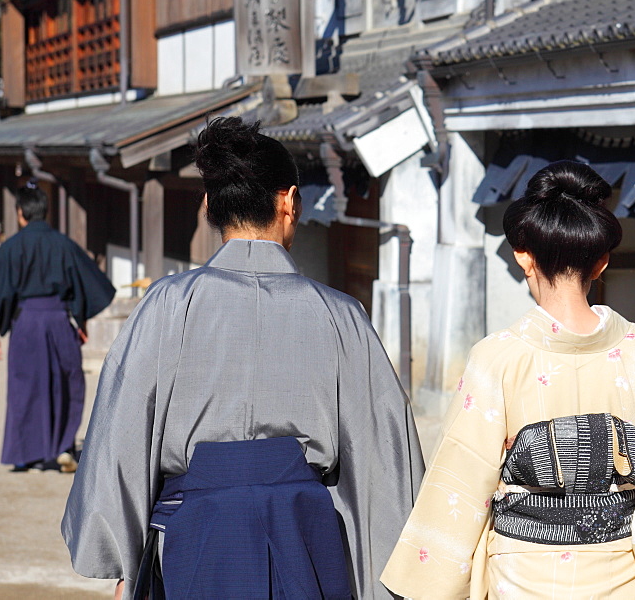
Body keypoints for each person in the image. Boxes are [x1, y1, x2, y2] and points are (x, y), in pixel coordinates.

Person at [62, 117, 424, 600]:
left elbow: (121, 431)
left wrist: (124, 560)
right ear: (289, 201)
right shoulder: (341, 316)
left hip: (192, 535)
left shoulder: (168, 303)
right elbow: (384, 459)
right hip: (307, 535)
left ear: (210, 205)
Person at [381, 161, 635, 599]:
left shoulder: (497, 356)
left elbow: (462, 479)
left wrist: (430, 580)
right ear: (601, 262)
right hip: (621, 570)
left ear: (523, 256)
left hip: (523, 575)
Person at [0, 181, 115, 473]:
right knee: (65, 384)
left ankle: (27, 455)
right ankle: (63, 447)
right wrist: (81, 320)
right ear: (45, 212)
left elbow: (2, 293)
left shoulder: (10, 248)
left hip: (25, 323)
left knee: (26, 386)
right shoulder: (65, 245)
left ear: (20, 213)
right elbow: (86, 285)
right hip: (60, 320)